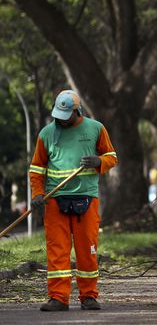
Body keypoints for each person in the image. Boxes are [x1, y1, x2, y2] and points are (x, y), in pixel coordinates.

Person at [28, 90, 118, 312]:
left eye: (65, 115)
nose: (60, 119)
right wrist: (37, 195)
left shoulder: (96, 128)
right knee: (57, 250)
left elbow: (112, 157)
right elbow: (37, 169)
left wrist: (99, 161)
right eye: (58, 115)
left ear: (77, 111)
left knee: (88, 250)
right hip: (54, 200)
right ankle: (58, 297)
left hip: (86, 198)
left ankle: (88, 296)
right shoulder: (47, 133)